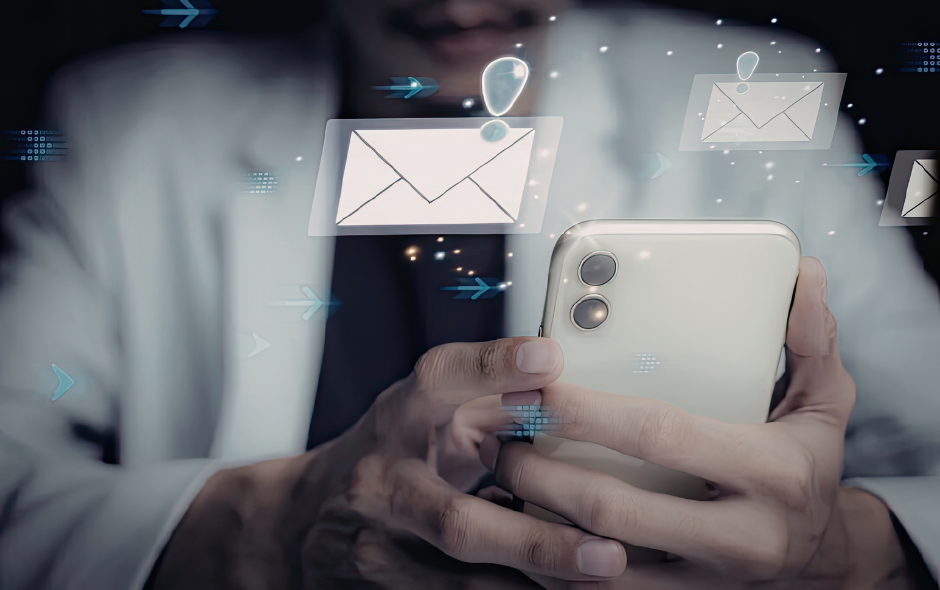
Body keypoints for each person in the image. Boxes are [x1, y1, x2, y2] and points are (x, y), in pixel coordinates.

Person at [0, 1, 937, 589]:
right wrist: (267, 527)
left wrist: (846, 549)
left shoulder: (762, 98)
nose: (459, 2)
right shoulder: (129, 121)